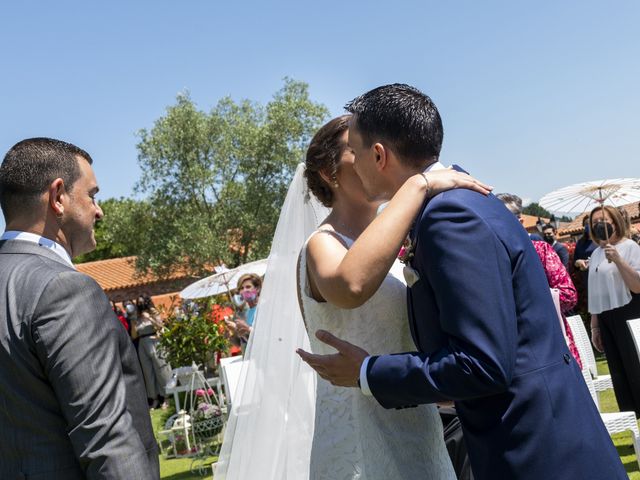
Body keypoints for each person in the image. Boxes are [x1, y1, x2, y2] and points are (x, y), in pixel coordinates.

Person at [297, 84, 626, 480]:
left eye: (359, 150)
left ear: (379, 155)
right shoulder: (450, 206)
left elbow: (483, 362)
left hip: (534, 447)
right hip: (467, 431)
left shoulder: (449, 216)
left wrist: (369, 372)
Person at [214, 116, 491, 480]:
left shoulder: (397, 245)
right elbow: (351, 287)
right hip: (358, 440)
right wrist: (418, 185)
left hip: (417, 426)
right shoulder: (321, 245)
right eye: (359, 148)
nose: (379, 155)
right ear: (330, 172)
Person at [0, 138, 159, 479]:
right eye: (92, 195)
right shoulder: (64, 289)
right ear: (58, 197)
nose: (98, 210)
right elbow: (106, 440)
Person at [497, 193, 581, 368]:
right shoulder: (489, 258)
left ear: (519, 222)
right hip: (515, 354)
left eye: (502, 218)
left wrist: (527, 298)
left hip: (552, 344)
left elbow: (568, 295)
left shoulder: (540, 251)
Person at [588, 205, 640, 415]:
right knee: (622, 375)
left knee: (637, 369)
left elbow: (637, 286)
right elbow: (596, 292)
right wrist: (595, 326)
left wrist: (618, 259)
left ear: (615, 221)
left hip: (631, 315)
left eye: (604, 220)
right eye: (594, 223)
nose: (600, 225)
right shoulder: (596, 253)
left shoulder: (630, 247)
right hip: (607, 319)